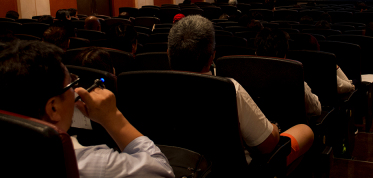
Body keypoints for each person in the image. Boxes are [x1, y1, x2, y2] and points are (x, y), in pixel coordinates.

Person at [0, 40, 174, 178]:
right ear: (53, 108)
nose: (75, 90)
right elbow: (162, 171)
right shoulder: (92, 163)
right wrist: (113, 117)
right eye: (71, 84)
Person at [167, 15, 314, 165]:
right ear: (212, 57)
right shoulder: (228, 88)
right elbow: (267, 146)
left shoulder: (151, 85)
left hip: (177, 166)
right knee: (305, 130)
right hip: (232, 171)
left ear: (168, 53)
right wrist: (274, 127)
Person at [254, 28, 322, 119]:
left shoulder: (244, 76)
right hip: (291, 130)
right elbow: (316, 109)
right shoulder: (295, 80)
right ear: (285, 55)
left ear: (256, 53)